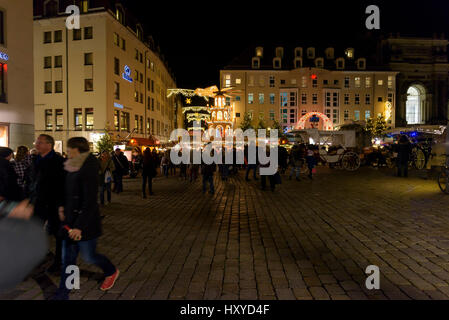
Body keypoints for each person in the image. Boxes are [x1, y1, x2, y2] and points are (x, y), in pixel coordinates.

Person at [53, 137, 119, 300]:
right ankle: (64, 293)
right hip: (69, 220)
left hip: (85, 222)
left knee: (89, 256)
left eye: (69, 150)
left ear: (78, 150)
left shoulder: (88, 167)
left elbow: (89, 201)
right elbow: (64, 189)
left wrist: (79, 227)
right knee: (68, 259)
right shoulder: (70, 165)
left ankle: (111, 270)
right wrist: (61, 207)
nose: (67, 153)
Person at [24, 135, 65, 273]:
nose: (36, 144)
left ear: (49, 145)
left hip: (53, 204)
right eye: (36, 142)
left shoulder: (59, 161)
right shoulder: (35, 160)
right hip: (37, 203)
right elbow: (31, 181)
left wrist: (61, 205)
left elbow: (62, 185)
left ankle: (59, 263)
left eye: (40, 142)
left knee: (58, 234)